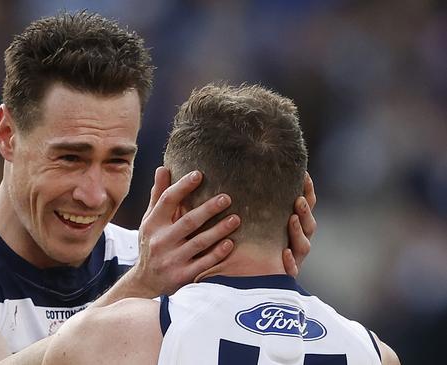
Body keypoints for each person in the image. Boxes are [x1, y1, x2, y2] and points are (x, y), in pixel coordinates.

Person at [0, 12, 317, 364]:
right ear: (7, 135)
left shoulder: (168, 271)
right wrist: (139, 289)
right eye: (70, 158)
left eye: (118, 160)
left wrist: (263, 286)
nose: (93, 194)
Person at [42, 83, 400, 365]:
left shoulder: (113, 341)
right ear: (301, 206)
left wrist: (141, 282)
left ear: (172, 202)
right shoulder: (374, 354)